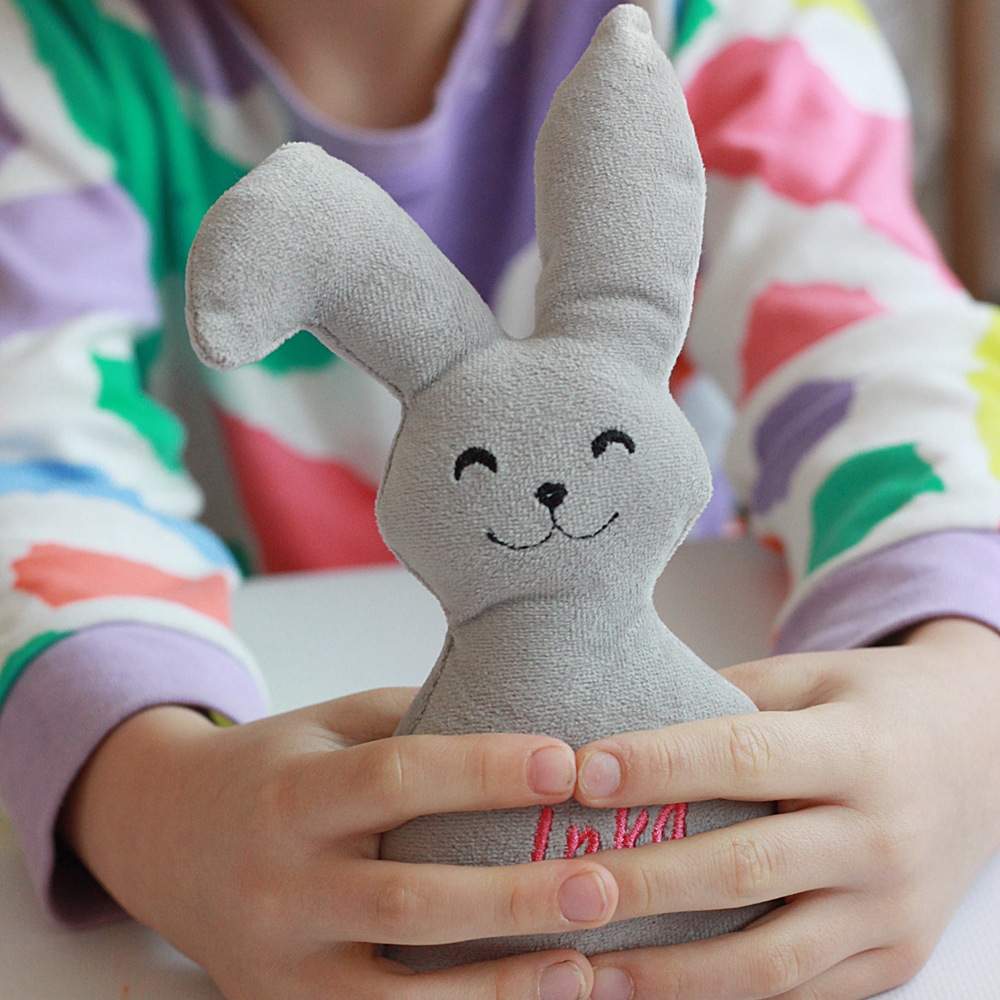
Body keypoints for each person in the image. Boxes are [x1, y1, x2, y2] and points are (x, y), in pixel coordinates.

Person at [0, 0, 999, 998]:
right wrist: (145, 799)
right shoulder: (37, 66)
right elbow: (30, 471)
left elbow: (901, 375)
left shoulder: (744, 31)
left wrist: (964, 703)